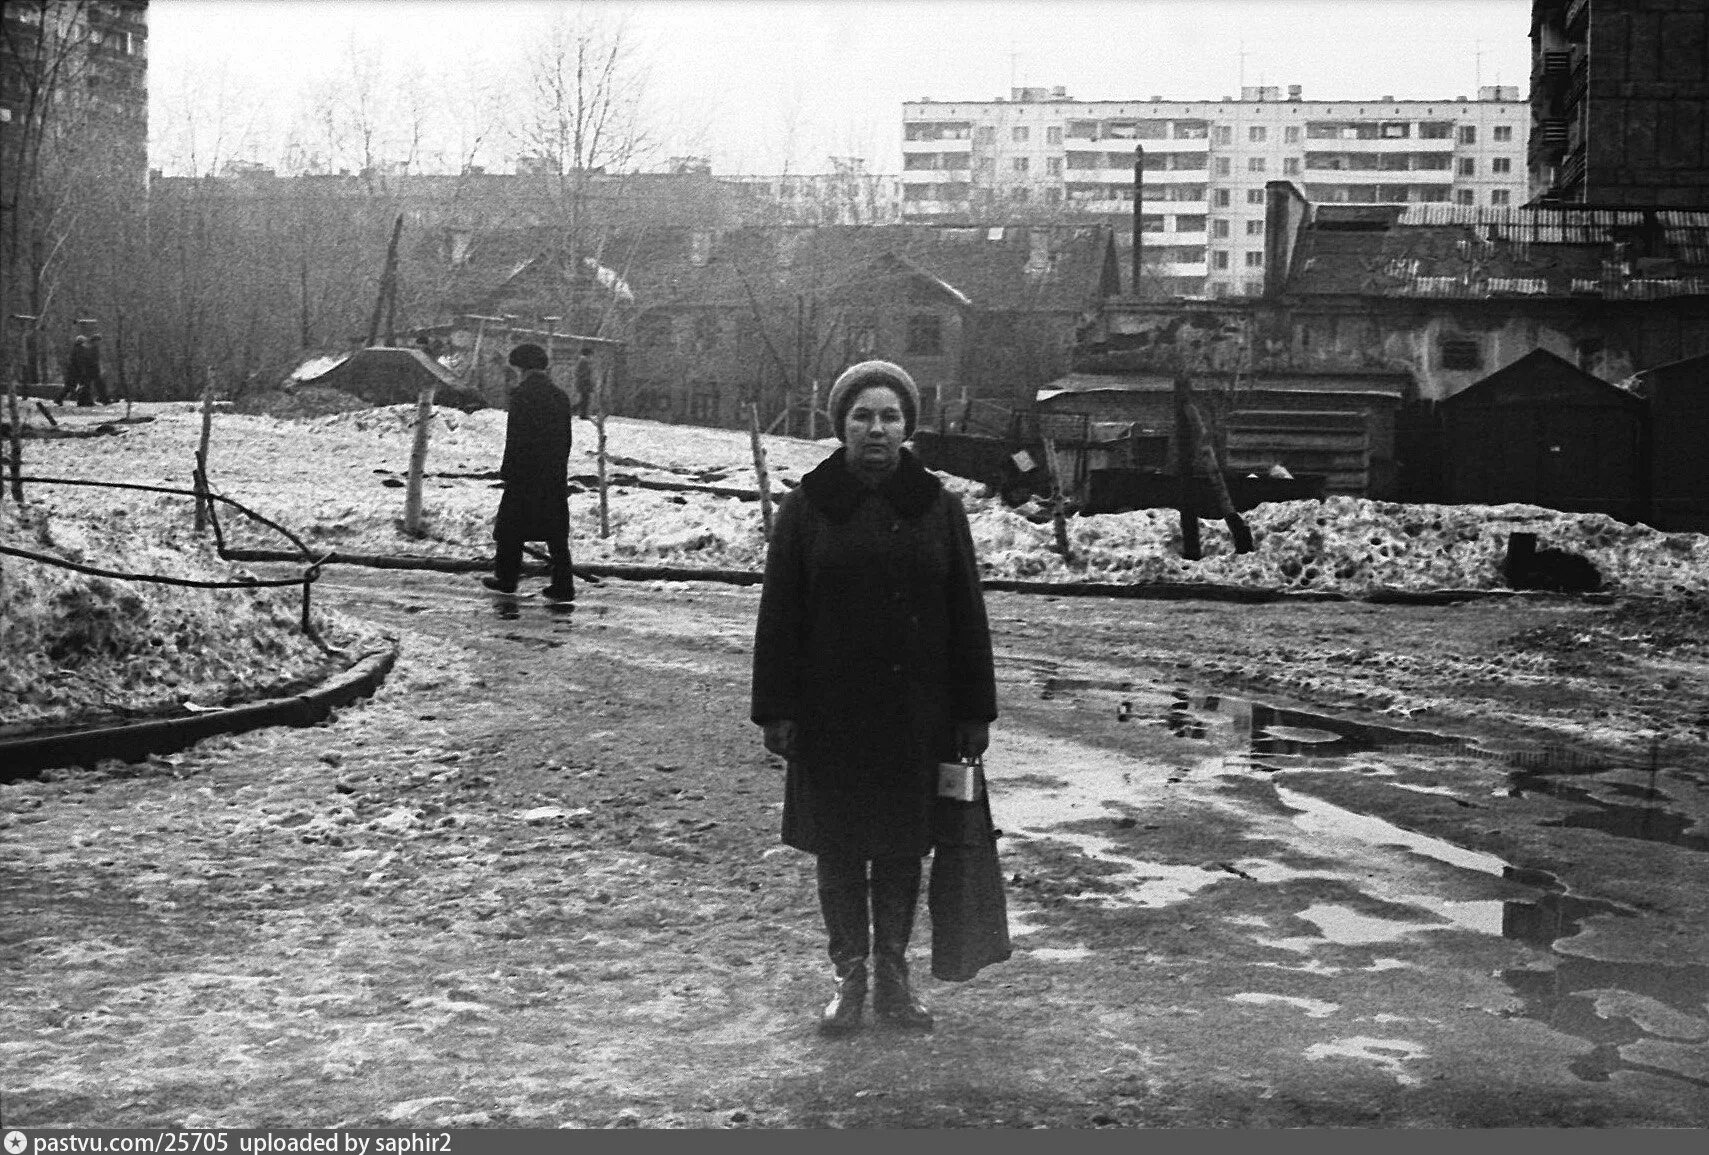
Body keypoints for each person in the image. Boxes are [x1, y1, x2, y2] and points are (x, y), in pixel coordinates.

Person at [751, 359, 997, 1037]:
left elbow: (965, 612)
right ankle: (848, 976)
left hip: (916, 714)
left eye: (889, 416)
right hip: (829, 711)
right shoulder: (806, 507)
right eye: (862, 416)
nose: (876, 429)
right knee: (838, 847)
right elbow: (779, 615)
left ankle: (892, 973)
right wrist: (776, 707)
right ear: (841, 426)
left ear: (907, 426)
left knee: (900, 845)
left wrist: (974, 711)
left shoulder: (938, 508)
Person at [484, 343, 576, 601]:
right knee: (556, 532)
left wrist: (508, 471)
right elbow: (565, 438)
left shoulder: (522, 395)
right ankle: (563, 584)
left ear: (522, 369)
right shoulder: (559, 396)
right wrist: (559, 467)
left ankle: (507, 578)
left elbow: (516, 438)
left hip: (525, 473)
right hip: (552, 473)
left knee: (510, 528)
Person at [57, 330, 106, 407]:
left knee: (78, 386)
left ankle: (83, 401)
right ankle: (60, 399)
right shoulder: (79, 350)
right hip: (76, 372)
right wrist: (83, 370)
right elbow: (80, 362)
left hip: (75, 372)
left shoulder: (77, 349)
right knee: (75, 386)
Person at [572, 345, 594, 421]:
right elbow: (585, 374)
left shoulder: (582, 361)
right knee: (584, 400)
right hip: (584, 384)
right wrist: (588, 383)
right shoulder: (584, 361)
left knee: (584, 399)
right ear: (588, 354)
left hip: (582, 383)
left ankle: (582, 413)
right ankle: (577, 412)